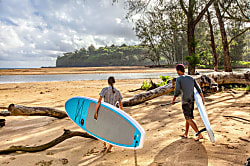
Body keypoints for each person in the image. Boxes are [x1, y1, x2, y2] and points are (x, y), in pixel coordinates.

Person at [172, 64, 205, 141]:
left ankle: (199, 134)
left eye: (177, 70)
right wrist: (202, 98)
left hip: (185, 101)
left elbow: (177, 91)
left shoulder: (179, 79)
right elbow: (198, 88)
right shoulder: (191, 78)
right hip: (191, 101)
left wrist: (173, 100)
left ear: (178, 70)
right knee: (188, 117)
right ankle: (186, 133)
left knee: (189, 119)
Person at [94, 76, 123, 152]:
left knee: (104, 128)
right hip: (113, 113)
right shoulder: (118, 92)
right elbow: (120, 105)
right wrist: (122, 115)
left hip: (105, 112)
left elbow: (99, 101)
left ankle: (104, 145)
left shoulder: (104, 90)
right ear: (114, 82)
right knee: (113, 130)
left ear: (108, 82)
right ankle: (110, 148)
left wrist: (95, 112)